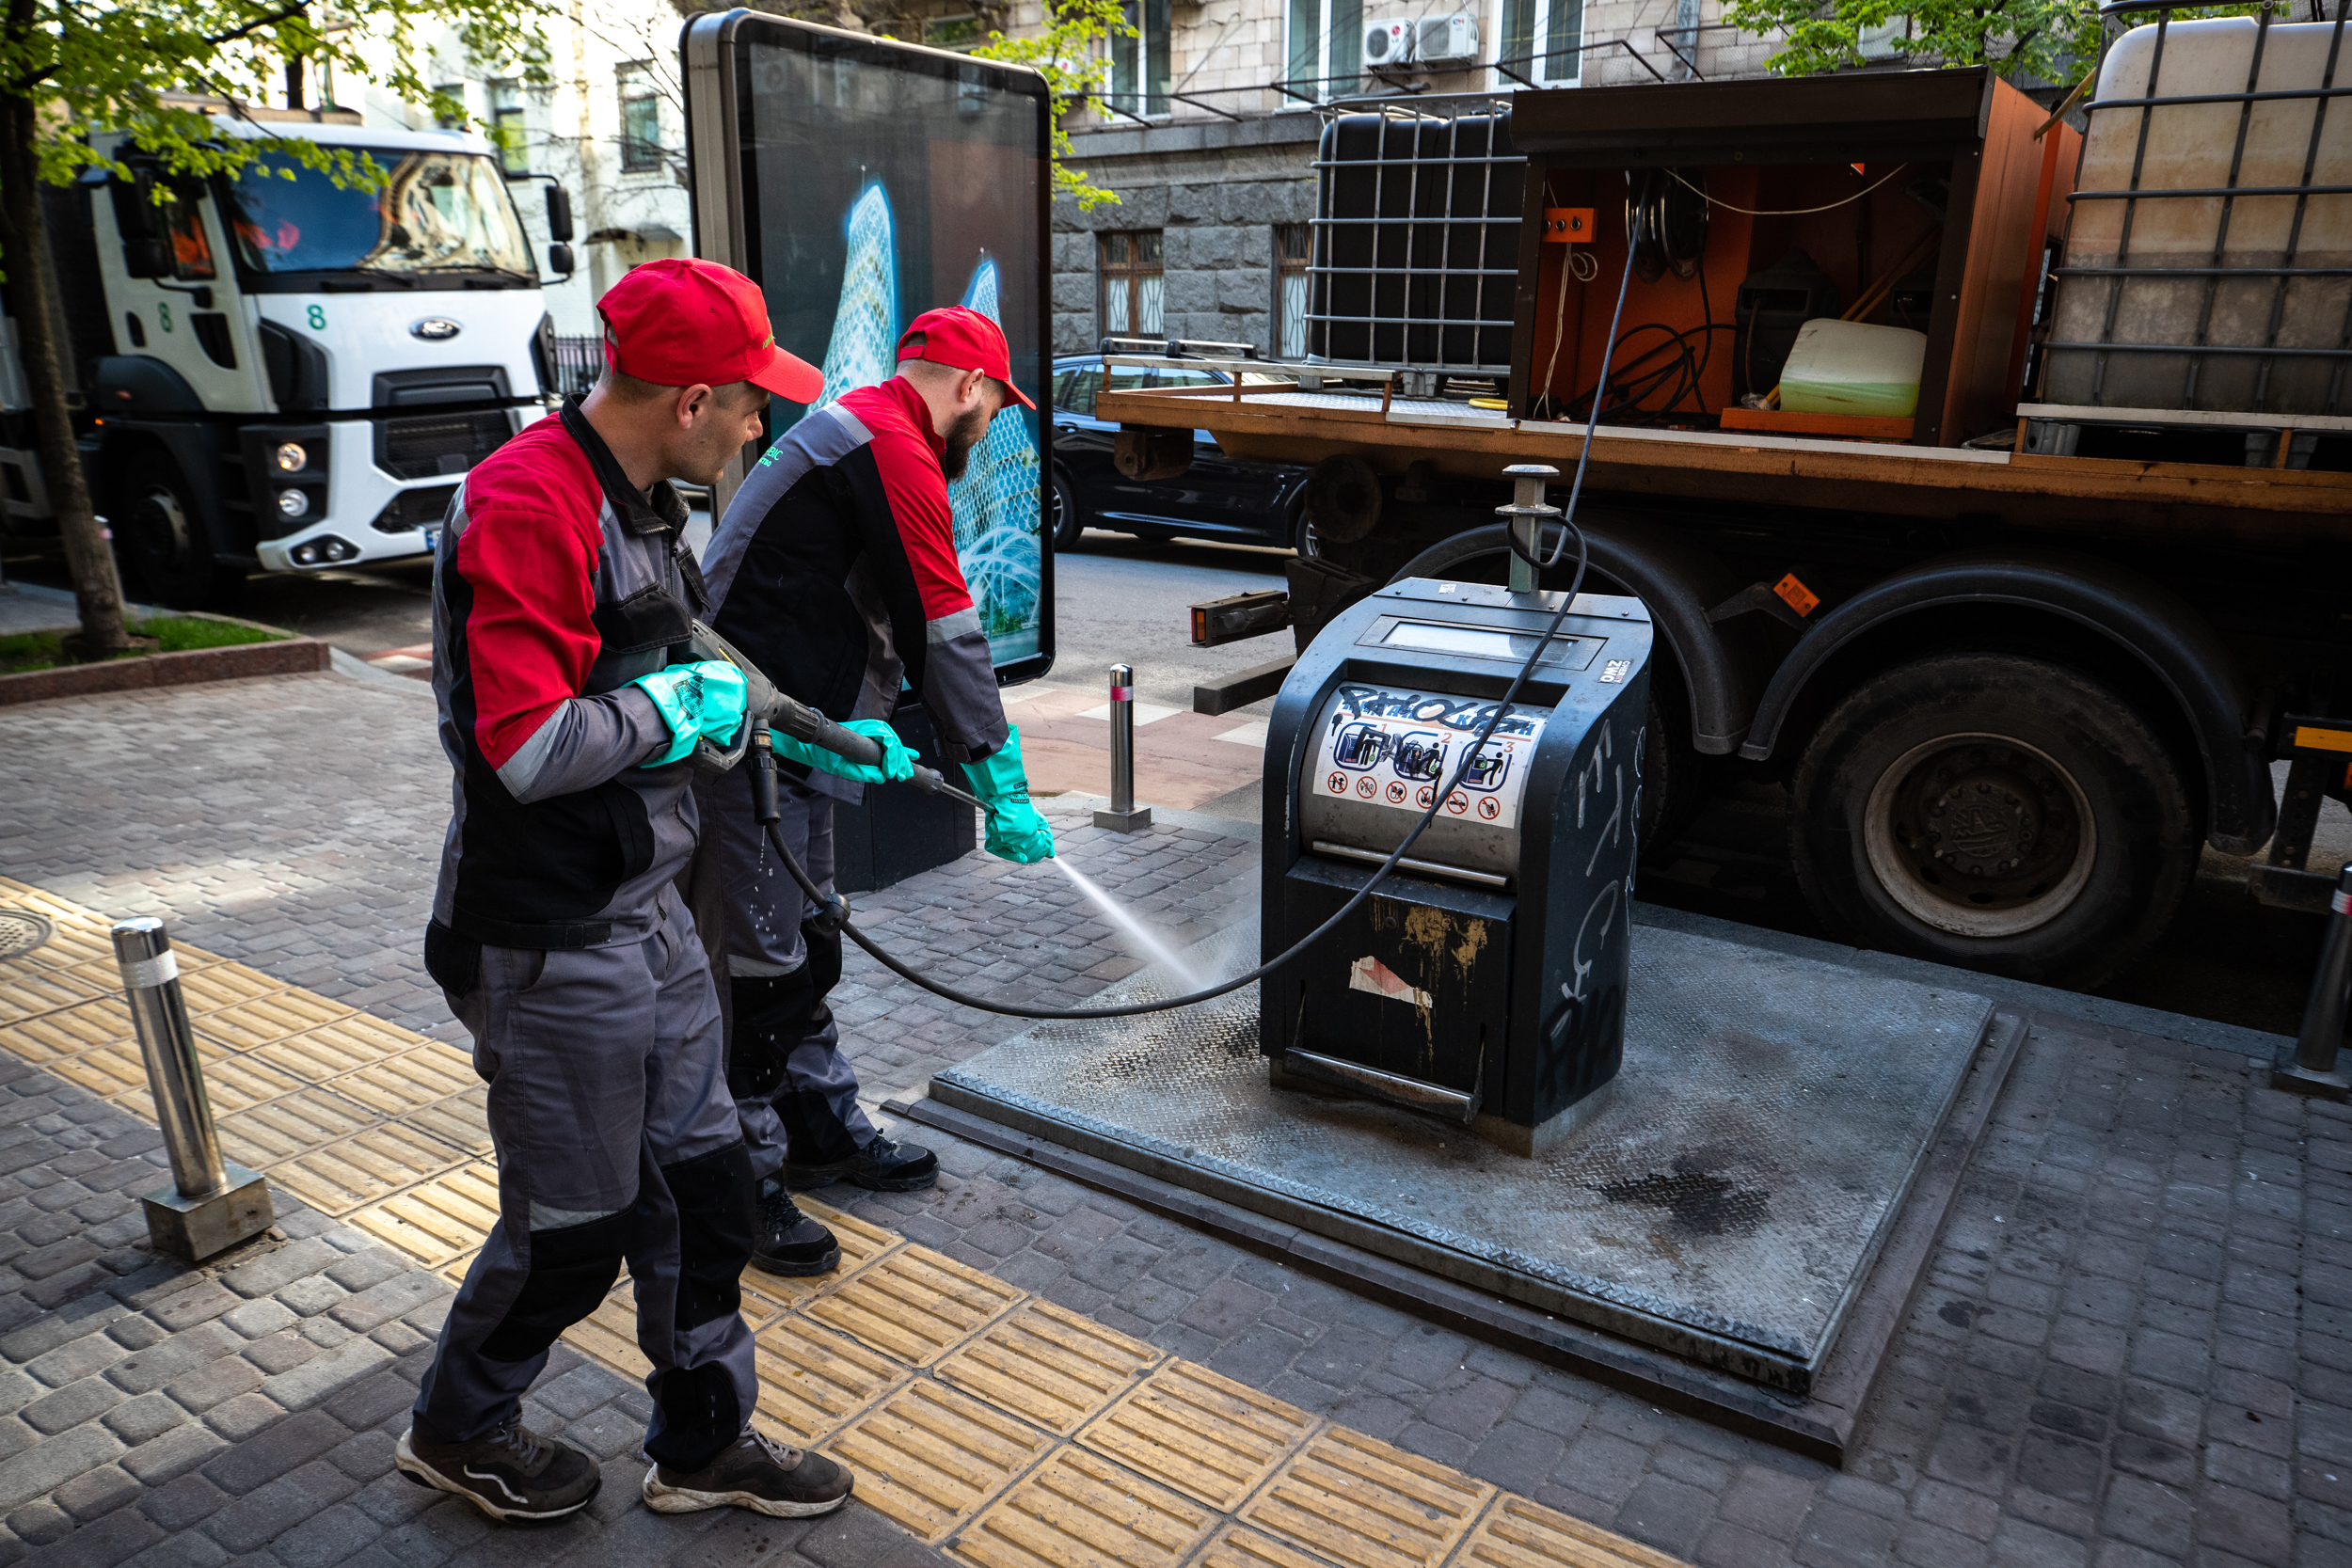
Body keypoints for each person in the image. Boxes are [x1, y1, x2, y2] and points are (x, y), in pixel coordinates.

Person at [397, 258, 893, 1525]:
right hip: (551, 939)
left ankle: (702, 1441)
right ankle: (459, 1425)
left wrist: (810, 724)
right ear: (686, 401)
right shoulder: (527, 503)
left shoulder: (641, 497)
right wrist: (672, 711)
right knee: (576, 1226)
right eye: (746, 406)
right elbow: (523, 747)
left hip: (653, 917)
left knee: (709, 1182)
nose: (759, 428)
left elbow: (690, 645)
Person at [695, 305, 1056, 1276]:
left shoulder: (869, 428)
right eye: (994, 402)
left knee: (808, 937)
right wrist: (997, 772)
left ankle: (817, 1125)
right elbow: (943, 622)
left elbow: (859, 606)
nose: (990, 421)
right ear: (971, 388)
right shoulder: (888, 443)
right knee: (763, 966)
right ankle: (745, 1177)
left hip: (797, 727)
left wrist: (866, 730)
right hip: (747, 736)